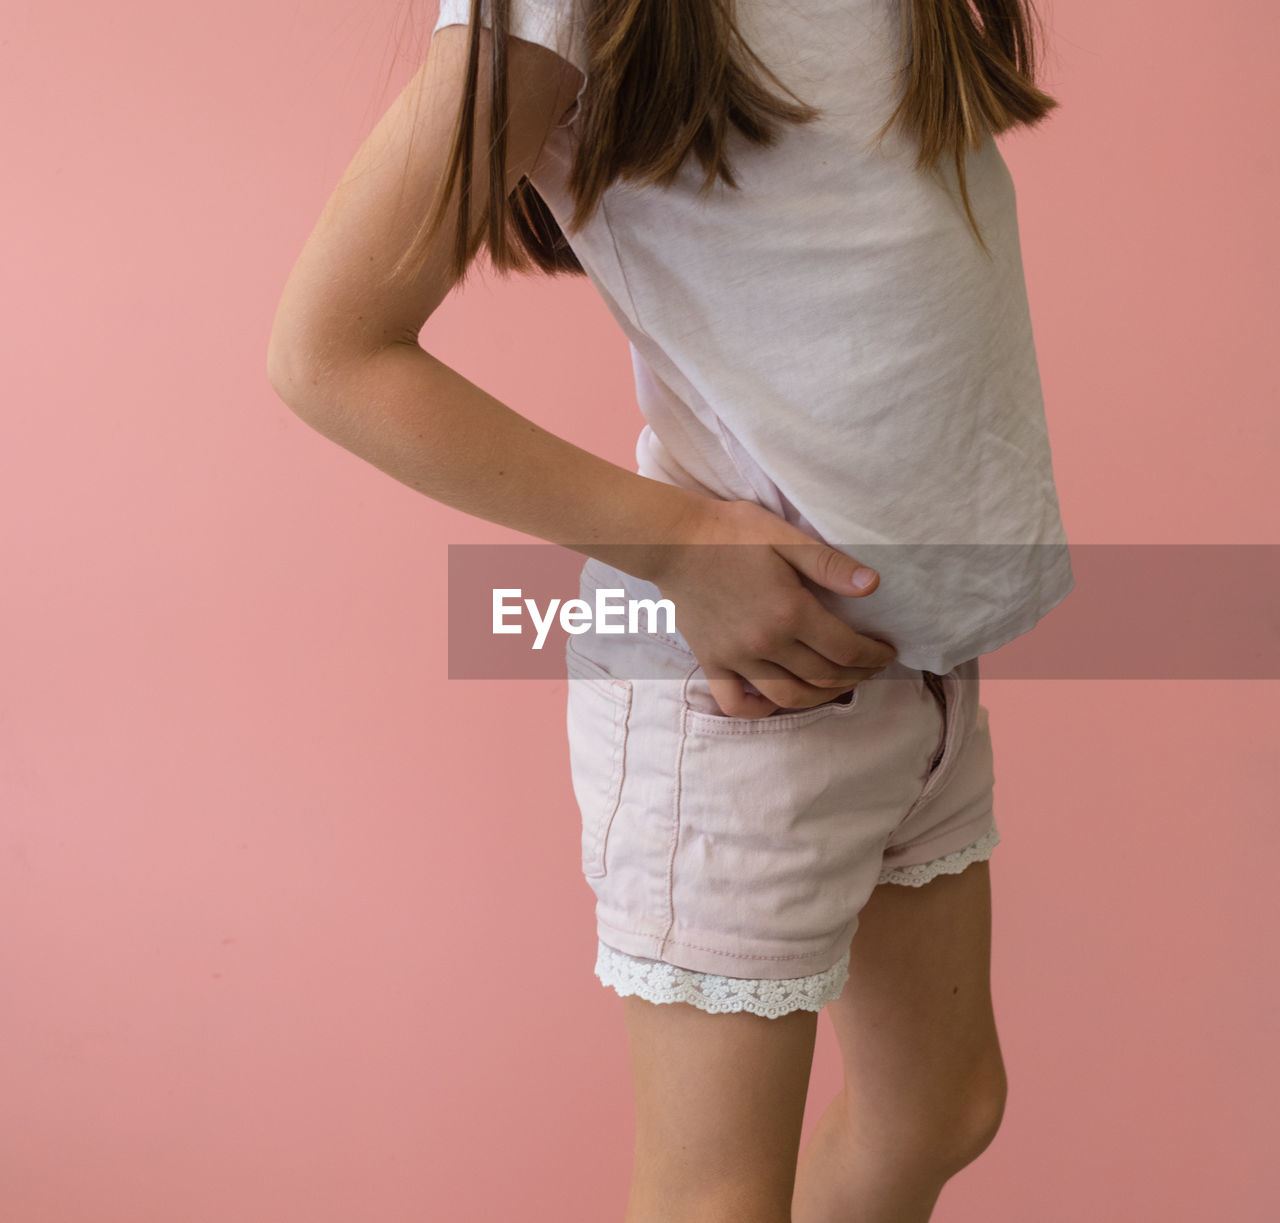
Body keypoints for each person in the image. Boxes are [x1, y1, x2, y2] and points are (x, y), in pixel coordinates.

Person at [267, 0, 1074, 1218]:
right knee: (716, 1196)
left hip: (916, 671)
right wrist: (682, 544)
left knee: (942, 1105)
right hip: (743, 707)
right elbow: (327, 348)